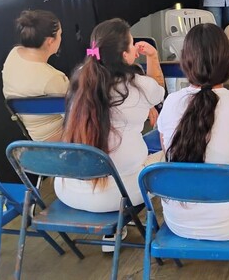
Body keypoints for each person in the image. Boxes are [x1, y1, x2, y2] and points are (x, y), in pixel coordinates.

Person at [157, 23, 229, 240]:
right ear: (228, 61)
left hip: (178, 221)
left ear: (185, 61)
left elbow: (167, 154)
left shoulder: (171, 102)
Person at [55, 18, 165, 213]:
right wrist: (153, 57)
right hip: (119, 195)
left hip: (67, 190)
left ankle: (113, 232)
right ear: (124, 55)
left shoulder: (81, 77)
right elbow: (159, 91)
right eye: (132, 43)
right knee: (170, 155)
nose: (134, 46)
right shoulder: (139, 85)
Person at [2, 10, 69, 141]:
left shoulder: (14, 54)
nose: (61, 38)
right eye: (60, 34)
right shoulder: (51, 78)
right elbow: (77, 112)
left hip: (35, 138)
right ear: (50, 41)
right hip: (60, 137)